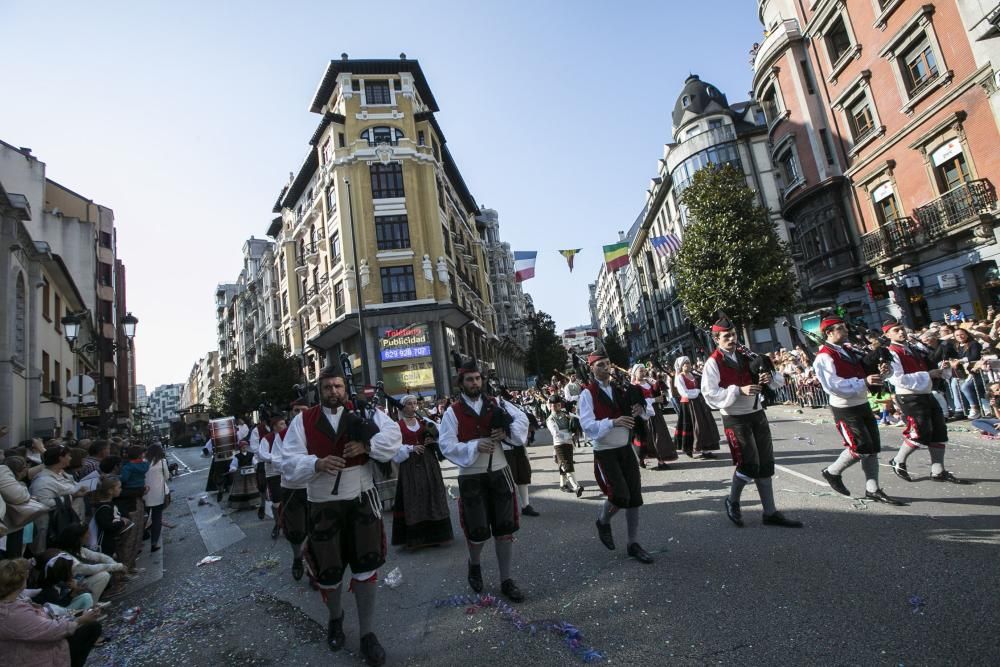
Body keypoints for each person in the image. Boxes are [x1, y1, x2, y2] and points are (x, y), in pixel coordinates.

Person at [281, 366, 401, 665]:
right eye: (327, 387)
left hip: (360, 500)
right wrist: (316, 464)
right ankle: (335, 618)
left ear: (345, 388)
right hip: (323, 505)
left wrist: (367, 444)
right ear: (318, 391)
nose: (333, 392)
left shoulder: (363, 412)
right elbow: (288, 461)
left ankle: (368, 634)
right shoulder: (303, 420)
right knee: (329, 572)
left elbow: (393, 436)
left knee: (366, 566)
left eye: (337, 386)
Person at [438, 360, 530, 600]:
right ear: (461, 383)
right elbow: (446, 445)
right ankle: (475, 563)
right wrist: (473, 445)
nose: (475, 383)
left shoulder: (497, 403)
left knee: (504, 530)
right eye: (470, 379)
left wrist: (506, 433)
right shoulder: (452, 411)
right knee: (477, 531)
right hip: (471, 476)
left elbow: (522, 420)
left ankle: (506, 579)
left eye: (478, 378)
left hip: (500, 472)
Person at [701, 317, 803, 528]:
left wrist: (766, 379)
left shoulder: (748, 355)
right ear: (716, 339)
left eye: (733, 335)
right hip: (735, 417)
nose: (731, 339)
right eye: (726, 336)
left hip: (757, 413)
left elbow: (775, 378)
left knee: (765, 464)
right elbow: (710, 394)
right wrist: (739, 390)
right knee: (749, 464)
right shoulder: (713, 362)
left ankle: (770, 512)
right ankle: (732, 500)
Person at [812, 316, 904, 505]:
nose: (846, 331)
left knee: (872, 449)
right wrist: (863, 382)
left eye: (845, 327)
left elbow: (868, 371)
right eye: (841, 329)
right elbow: (833, 386)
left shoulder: (850, 349)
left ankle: (873, 489)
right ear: (829, 332)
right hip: (844, 407)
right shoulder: (824, 356)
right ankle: (832, 471)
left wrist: (882, 370)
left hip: (862, 403)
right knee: (860, 447)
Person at [578, 350, 655, 563]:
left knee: (634, 497)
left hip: (625, 448)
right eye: (600, 365)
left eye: (607, 363)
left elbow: (645, 411)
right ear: (591, 368)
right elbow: (587, 426)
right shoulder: (587, 394)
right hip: (605, 452)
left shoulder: (622, 389)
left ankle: (633, 543)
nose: (605, 368)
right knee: (619, 495)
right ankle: (603, 520)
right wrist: (613, 422)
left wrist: (640, 409)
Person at [884, 319, 968, 484]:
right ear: (887, 334)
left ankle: (938, 471)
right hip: (909, 396)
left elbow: (927, 367)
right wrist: (928, 374)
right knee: (919, 432)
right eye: (896, 330)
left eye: (902, 329)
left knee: (938, 430)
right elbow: (897, 379)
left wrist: (941, 368)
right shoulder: (891, 352)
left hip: (925, 393)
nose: (901, 332)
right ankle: (898, 460)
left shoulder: (913, 348)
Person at [0, 557, 103, 667]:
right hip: (33, 657)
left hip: (35, 646)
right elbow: (50, 630)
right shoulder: (12, 613)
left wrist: (76, 616)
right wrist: (79, 620)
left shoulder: (14, 601)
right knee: (91, 627)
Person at [391, 395, 453, 549]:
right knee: (414, 497)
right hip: (410, 467)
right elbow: (393, 448)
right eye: (409, 404)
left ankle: (436, 535)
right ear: (403, 407)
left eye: (414, 404)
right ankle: (417, 538)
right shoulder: (397, 426)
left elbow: (441, 435)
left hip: (429, 463)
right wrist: (411, 448)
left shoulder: (424, 422)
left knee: (432, 494)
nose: (413, 406)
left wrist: (433, 440)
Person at [274, 399, 310, 580]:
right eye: (296, 411)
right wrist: (296, 468)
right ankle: (297, 557)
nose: (300, 414)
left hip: (314, 487)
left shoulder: (316, 431)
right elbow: (276, 460)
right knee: (296, 531)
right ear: (291, 414)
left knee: (317, 529)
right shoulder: (282, 435)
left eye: (304, 410)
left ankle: (314, 568)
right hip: (292, 488)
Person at [29, 445, 88, 553]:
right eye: (69, 456)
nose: (71, 458)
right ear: (61, 458)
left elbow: (73, 488)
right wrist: (72, 496)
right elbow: (44, 503)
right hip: (51, 528)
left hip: (67, 522)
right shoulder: (42, 481)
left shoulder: (63, 474)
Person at [50, 523, 125, 603]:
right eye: (87, 534)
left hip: (78, 583)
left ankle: (91, 605)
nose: (89, 536)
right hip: (67, 593)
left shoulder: (79, 549)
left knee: (104, 573)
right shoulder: (67, 557)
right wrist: (118, 567)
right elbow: (90, 569)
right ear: (79, 538)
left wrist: (115, 565)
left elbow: (100, 557)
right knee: (103, 576)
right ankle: (90, 607)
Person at [673, 356, 720, 459]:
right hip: (688, 405)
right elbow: (684, 393)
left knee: (705, 425)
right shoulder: (680, 377)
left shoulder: (692, 375)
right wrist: (698, 391)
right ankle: (689, 448)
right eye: (686, 364)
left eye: (689, 363)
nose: (689, 365)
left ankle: (706, 450)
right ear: (681, 366)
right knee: (693, 427)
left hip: (698, 403)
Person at [545, 395, 584, 496]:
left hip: (569, 443)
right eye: (553, 405)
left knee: (564, 463)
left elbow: (577, 419)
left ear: (560, 405)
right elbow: (556, 433)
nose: (555, 407)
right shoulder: (550, 419)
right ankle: (576, 487)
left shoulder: (565, 414)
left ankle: (563, 485)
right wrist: (569, 435)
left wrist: (575, 425)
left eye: (557, 405)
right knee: (567, 465)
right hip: (559, 444)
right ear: (550, 406)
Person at [256, 416, 287, 540]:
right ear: (274, 426)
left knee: (289, 499)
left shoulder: (289, 436)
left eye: (285, 423)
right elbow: (262, 454)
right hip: (273, 473)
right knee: (277, 501)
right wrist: (277, 459)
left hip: (287, 472)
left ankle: (289, 525)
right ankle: (277, 524)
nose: (284, 426)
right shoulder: (267, 439)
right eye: (281, 424)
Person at [143, 444, 170, 553]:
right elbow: (167, 477)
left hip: (144, 494)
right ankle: (154, 543)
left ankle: (144, 534)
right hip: (158, 494)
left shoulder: (143, 462)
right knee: (156, 518)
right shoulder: (162, 462)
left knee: (146, 516)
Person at [248, 417, 270, 520]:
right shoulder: (257, 430)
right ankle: (262, 504)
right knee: (262, 484)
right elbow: (255, 448)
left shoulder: (281, 427)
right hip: (262, 461)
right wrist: (267, 456)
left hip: (278, 461)